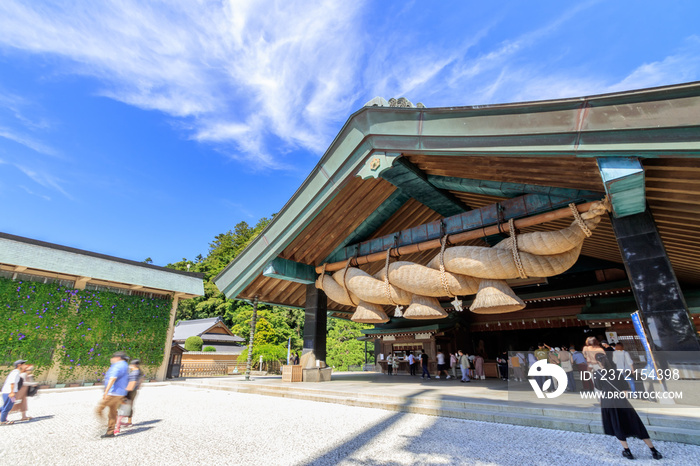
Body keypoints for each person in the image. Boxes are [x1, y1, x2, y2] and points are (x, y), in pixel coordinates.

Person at [593, 353, 662, 460]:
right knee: (636, 424)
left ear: (597, 362)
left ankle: (627, 451)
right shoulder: (616, 372)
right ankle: (654, 451)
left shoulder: (597, 373)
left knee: (617, 425)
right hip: (621, 400)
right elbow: (625, 386)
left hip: (608, 401)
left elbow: (598, 387)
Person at [96, 351, 130, 438]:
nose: (112, 359)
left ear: (118, 358)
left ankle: (103, 424)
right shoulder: (125, 365)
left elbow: (112, 378)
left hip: (113, 393)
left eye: (113, 357)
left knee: (99, 409)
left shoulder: (118, 365)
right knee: (112, 412)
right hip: (120, 393)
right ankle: (110, 432)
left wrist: (106, 392)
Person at [115, 359, 143, 433]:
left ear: (134, 365)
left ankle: (119, 425)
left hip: (130, 391)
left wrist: (125, 391)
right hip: (133, 391)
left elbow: (132, 383)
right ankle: (128, 421)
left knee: (123, 406)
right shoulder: (138, 372)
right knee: (128, 406)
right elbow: (141, 381)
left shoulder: (135, 373)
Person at [1, 359, 27, 425]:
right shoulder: (15, 373)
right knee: (8, 407)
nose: (25, 366)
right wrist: (12, 392)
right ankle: (2, 421)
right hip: (9, 392)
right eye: (23, 364)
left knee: (7, 405)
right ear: (19, 365)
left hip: (9, 392)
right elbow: (12, 382)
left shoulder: (16, 372)